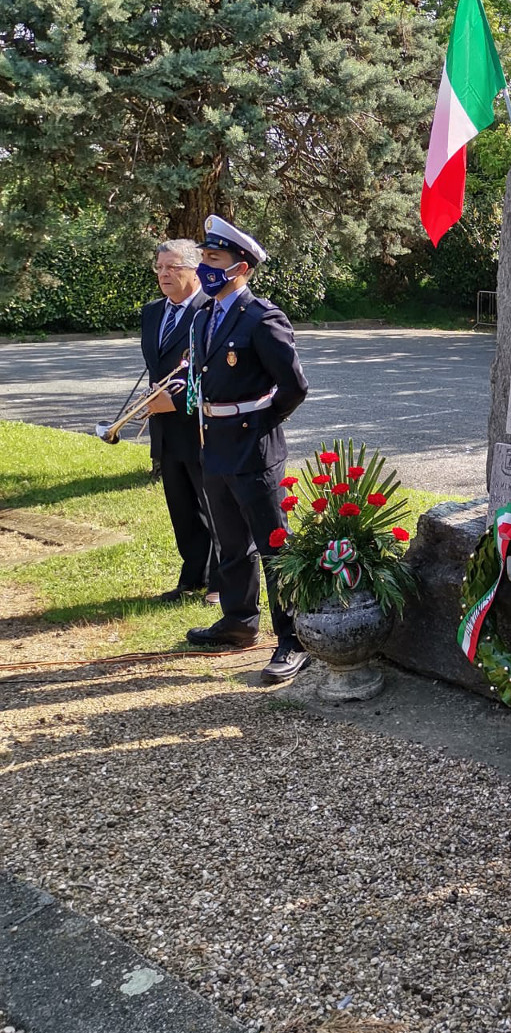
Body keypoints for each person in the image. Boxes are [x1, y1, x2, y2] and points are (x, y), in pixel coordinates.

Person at [148, 215, 310, 684]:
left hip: (253, 447)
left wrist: (261, 423)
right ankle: (239, 621)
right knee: (231, 544)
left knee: (274, 545)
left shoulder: (262, 317)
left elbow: (294, 387)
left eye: (213, 259)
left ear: (240, 267)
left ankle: (292, 638)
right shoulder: (202, 318)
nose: (205, 266)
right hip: (211, 444)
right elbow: (199, 381)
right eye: (204, 258)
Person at [140, 241, 217, 604]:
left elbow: (212, 372)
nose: (164, 274)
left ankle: (220, 583)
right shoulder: (151, 312)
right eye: (159, 268)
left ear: (195, 269)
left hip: (202, 428)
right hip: (166, 432)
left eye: (173, 267)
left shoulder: (211, 309)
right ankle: (192, 578)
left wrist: (179, 401)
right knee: (182, 508)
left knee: (215, 508)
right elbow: (158, 368)